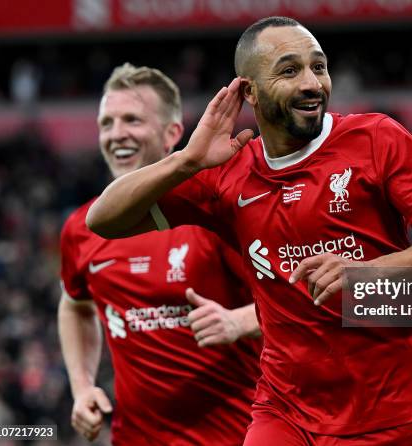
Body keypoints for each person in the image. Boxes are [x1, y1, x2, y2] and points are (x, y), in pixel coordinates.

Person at [86, 17, 412, 445]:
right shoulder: (227, 173)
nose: (312, 83)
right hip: (287, 413)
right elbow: (104, 219)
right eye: (289, 70)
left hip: (402, 412)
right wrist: (186, 159)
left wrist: (369, 272)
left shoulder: (376, 138)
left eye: (319, 66)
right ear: (250, 92)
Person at [58, 63, 261, 445]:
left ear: (172, 134)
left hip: (236, 436)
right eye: (107, 123)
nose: (117, 134)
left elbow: (298, 299)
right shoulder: (82, 228)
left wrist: (239, 322)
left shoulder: (212, 213)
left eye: (132, 120)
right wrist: (82, 387)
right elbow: (74, 304)